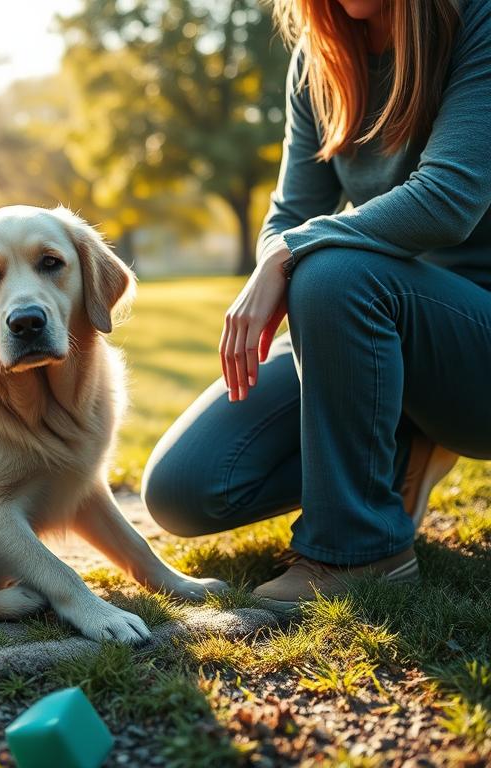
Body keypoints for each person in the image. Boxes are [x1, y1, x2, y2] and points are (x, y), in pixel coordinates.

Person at [141, 0, 491, 611]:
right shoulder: (320, 56)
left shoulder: (476, 19)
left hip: (471, 347)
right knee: (186, 487)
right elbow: (290, 213)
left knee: (330, 272)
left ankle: (360, 550)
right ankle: (395, 452)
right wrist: (281, 252)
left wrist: (291, 253)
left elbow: (448, 199)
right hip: (369, 327)